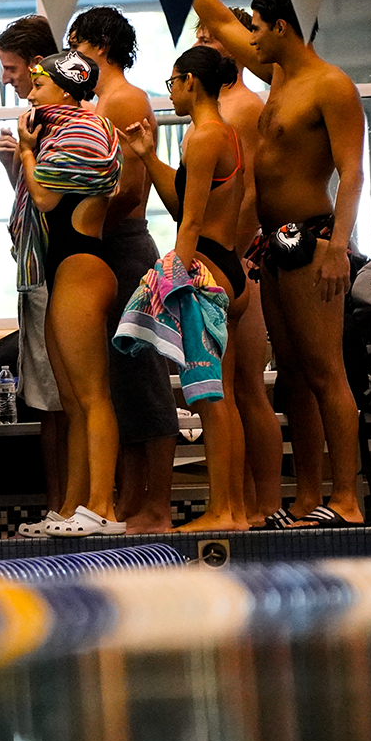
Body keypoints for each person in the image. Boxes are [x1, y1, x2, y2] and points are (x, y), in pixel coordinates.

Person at [196, 0, 366, 527]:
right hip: (273, 241)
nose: (252, 37)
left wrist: (339, 246)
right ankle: (307, 499)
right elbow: (220, 22)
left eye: (260, 27)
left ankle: (347, 500)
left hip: (313, 239)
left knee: (325, 372)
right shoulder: (279, 77)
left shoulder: (330, 86)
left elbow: (353, 170)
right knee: (291, 375)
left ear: (282, 28)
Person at [120, 46, 252, 531]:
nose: (169, 91)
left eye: (173, 82)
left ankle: (221, 511)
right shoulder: (222, 134)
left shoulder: (204, 137)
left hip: (207, 269)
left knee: (207, 398)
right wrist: (147, 157)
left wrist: (173, 274)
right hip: (227, 267)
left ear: (191, 82)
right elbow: (185, 199)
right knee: (225, 398)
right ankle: (233, 510)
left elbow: (190, 219)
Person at [66, 7, 179, 534]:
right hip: (106, 247)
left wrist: (75, 221)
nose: (70, 60)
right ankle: (134, 502)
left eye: (76, 47)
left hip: (126, 246)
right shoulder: (97, 103)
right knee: (120, 384)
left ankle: (157, 505)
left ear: (100, 46)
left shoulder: (124, 100)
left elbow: (131, 188)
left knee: (144, 377)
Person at [11, 52, 124, 538]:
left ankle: (104, 509)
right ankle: (75, 504)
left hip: (82, 267)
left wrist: (26, 152)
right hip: (64, 270)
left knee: (93, 395)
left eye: (39, 85)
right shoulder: (61, 131)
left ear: (65, 88)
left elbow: (45, 198)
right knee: (73, 401)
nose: (31, 95)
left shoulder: (83, 131)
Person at [193, 8, 282, 526]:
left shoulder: (241, 107)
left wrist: (238, 254)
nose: (207, 39)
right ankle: (244, 504)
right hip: (229, 258)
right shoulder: (219, 107)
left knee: (245, 387)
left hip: (236, 262)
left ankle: (264, 504)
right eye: (200, 34)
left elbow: (249, 192)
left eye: (214, 33)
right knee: (234, 391)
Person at [0, 16, 73, 528]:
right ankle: (62, 504)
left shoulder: (63, 123)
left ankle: (68, 505)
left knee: (59, 399)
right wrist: (12, 165)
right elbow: (32, 196)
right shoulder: (40, 122)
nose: (7, 79)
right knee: (46, 396)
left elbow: (49, 198)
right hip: (38, 265)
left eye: (12, 69)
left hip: (55, 271)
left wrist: (21, 153)